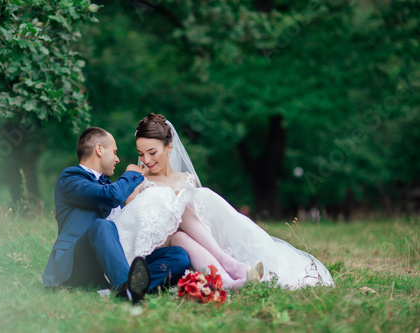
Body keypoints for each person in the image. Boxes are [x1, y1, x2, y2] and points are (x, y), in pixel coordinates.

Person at [110, 114, 334, 290]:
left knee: (184, 224)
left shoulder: (185, 179)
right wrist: (138, 182)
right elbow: (132, 213)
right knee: (179, 207)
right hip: (146, 243)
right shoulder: (135, 173)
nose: (146, 160)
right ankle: (227, 262)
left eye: (152, 152)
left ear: (169, 147)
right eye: (141, 153)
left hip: (177, 245)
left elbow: (202, 220)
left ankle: (227, 280)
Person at [42, 127, 190, 303]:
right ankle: (125, 286)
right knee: (102, 225)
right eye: (114, 152)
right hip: (77, 263)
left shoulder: (110, 187)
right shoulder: (71, 178)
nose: (117, 159)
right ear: (99, 149)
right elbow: (110, 196)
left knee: (178, 256)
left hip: (115, 260)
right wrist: (132, 174)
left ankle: (123, 291)